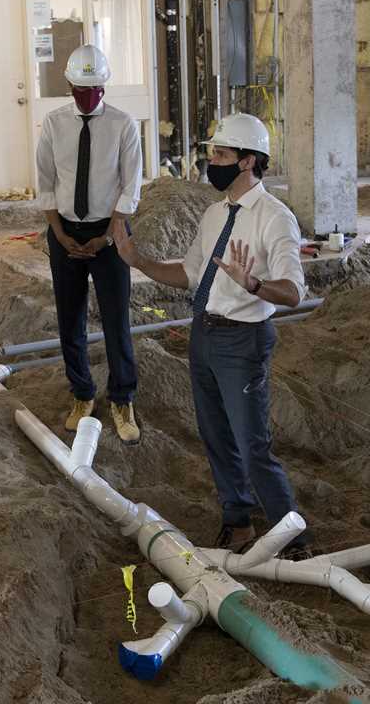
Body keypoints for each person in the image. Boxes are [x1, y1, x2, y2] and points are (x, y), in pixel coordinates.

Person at [115, 113, 311, 557]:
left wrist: (254, 284)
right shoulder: (214, 214)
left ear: (247, 161)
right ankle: (237, 520)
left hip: (243, 341)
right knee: (216, 436)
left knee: (251, 444)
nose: (212, 162)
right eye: (212, 153)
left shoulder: (275, 218)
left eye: (221, 154)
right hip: (203, 334)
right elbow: (189, 275)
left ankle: (293, 536)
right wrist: (138, 260)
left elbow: (295, 291)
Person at [36, 44, 143, 444]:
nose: (88, 94)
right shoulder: (54, 124)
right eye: (81, 87)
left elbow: (131, 185)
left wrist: (108, 235)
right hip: (65, 229)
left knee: (116, 319)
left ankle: (122, 398)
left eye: (95, 86)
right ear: (68, 84)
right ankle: (82, 394)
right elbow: (46, 182)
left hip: (110, 231)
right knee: (70, 317)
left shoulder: (123, 125)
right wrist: (60, 234)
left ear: (104, 84)